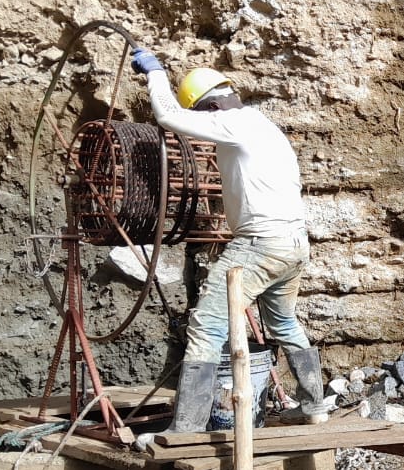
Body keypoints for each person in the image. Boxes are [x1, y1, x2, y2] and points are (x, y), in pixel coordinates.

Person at [130, 48, 328, 439]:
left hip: (261, 244)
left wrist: (155, 73)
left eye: (205, 115)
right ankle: (313, 407)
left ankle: (184, 430)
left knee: (206, 325)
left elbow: (169, 116)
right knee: (283, 321)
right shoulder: (265, 127)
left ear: (215, 105)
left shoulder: (234, 122)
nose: (207, 124)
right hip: (293, 244)